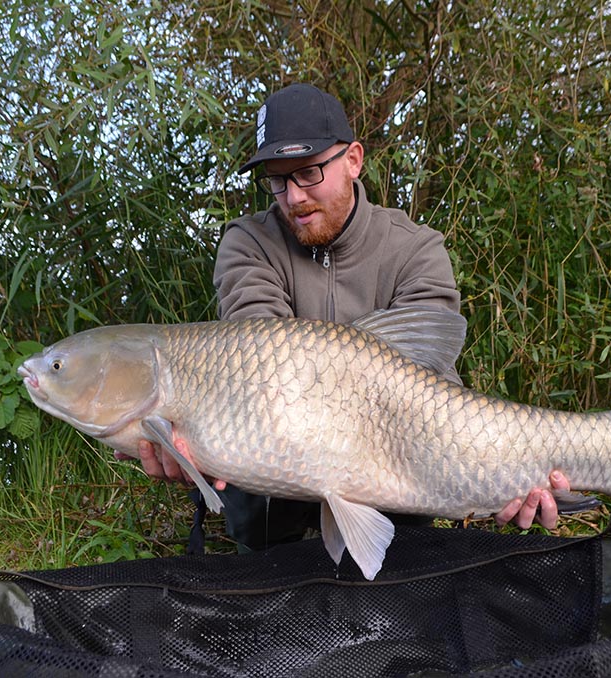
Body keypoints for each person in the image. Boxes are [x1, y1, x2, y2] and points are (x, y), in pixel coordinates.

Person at [120, 83, 571, 550]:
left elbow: (433, 393)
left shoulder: (416, 249)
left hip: (399, 475)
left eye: (309, 172)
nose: (293, 197)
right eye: (278, 179)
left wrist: (501, 476)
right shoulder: (248, 243)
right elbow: (261, 368)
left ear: (353, 160)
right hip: (277, 488)